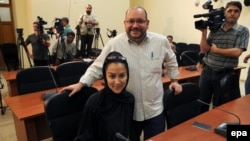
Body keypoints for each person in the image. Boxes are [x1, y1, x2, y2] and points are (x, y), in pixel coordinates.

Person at [61, 6, 182, 140]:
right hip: (127, 112)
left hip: (155, 110)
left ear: (147, 23)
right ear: (125, 23)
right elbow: (98, 66)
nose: (135, 25)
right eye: (131, 21)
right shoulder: (115, 43)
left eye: (140, 21)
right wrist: (81, 83)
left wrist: (174, 80)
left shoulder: (161, 41)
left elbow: (171, 60)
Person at [198, 1, 249, 112]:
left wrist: (216, 50)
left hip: (225, 75)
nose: (232, 13)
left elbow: (237, 52)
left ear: (239, 14)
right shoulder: (215, 29)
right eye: (229, 10)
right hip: (207, 72)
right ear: (224, 13)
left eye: (236, 11)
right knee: (201, 104)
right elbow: (204, 49)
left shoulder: (243, 31)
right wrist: (203, 33)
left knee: (220, 108)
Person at [74, 51, 135, 141]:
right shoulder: (94, 103)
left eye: (122, 76)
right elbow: (84, 138)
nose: (117, 82)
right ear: (105, 77)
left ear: (127, 76)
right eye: (112, 76)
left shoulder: (129, 99)